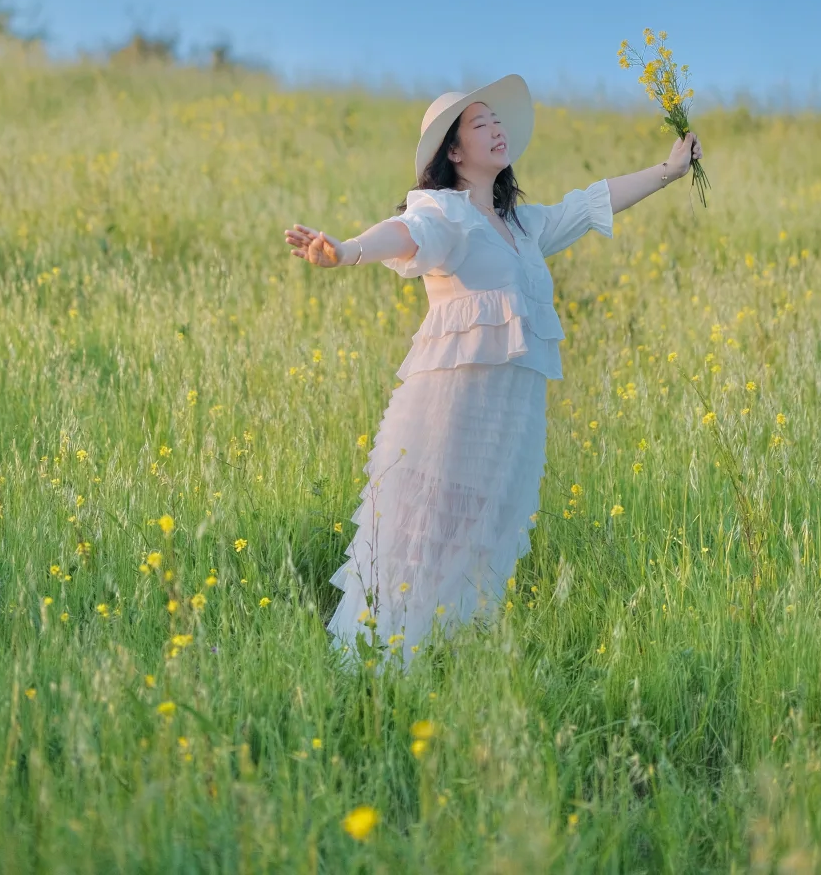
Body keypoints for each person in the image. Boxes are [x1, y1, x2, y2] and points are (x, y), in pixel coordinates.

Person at [284, 73, 703, 671]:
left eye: (496, 121)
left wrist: (668, 170)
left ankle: (447, 664)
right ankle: (378, 667)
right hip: (448, 412)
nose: (496, 129)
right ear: (453, 151)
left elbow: (589, 204)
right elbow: (405, 234)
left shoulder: (522, 227)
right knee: (421, 532)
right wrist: (346, 250)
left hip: (511, 419)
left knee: (483, 537)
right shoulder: (442, 211)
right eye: (479, 124)